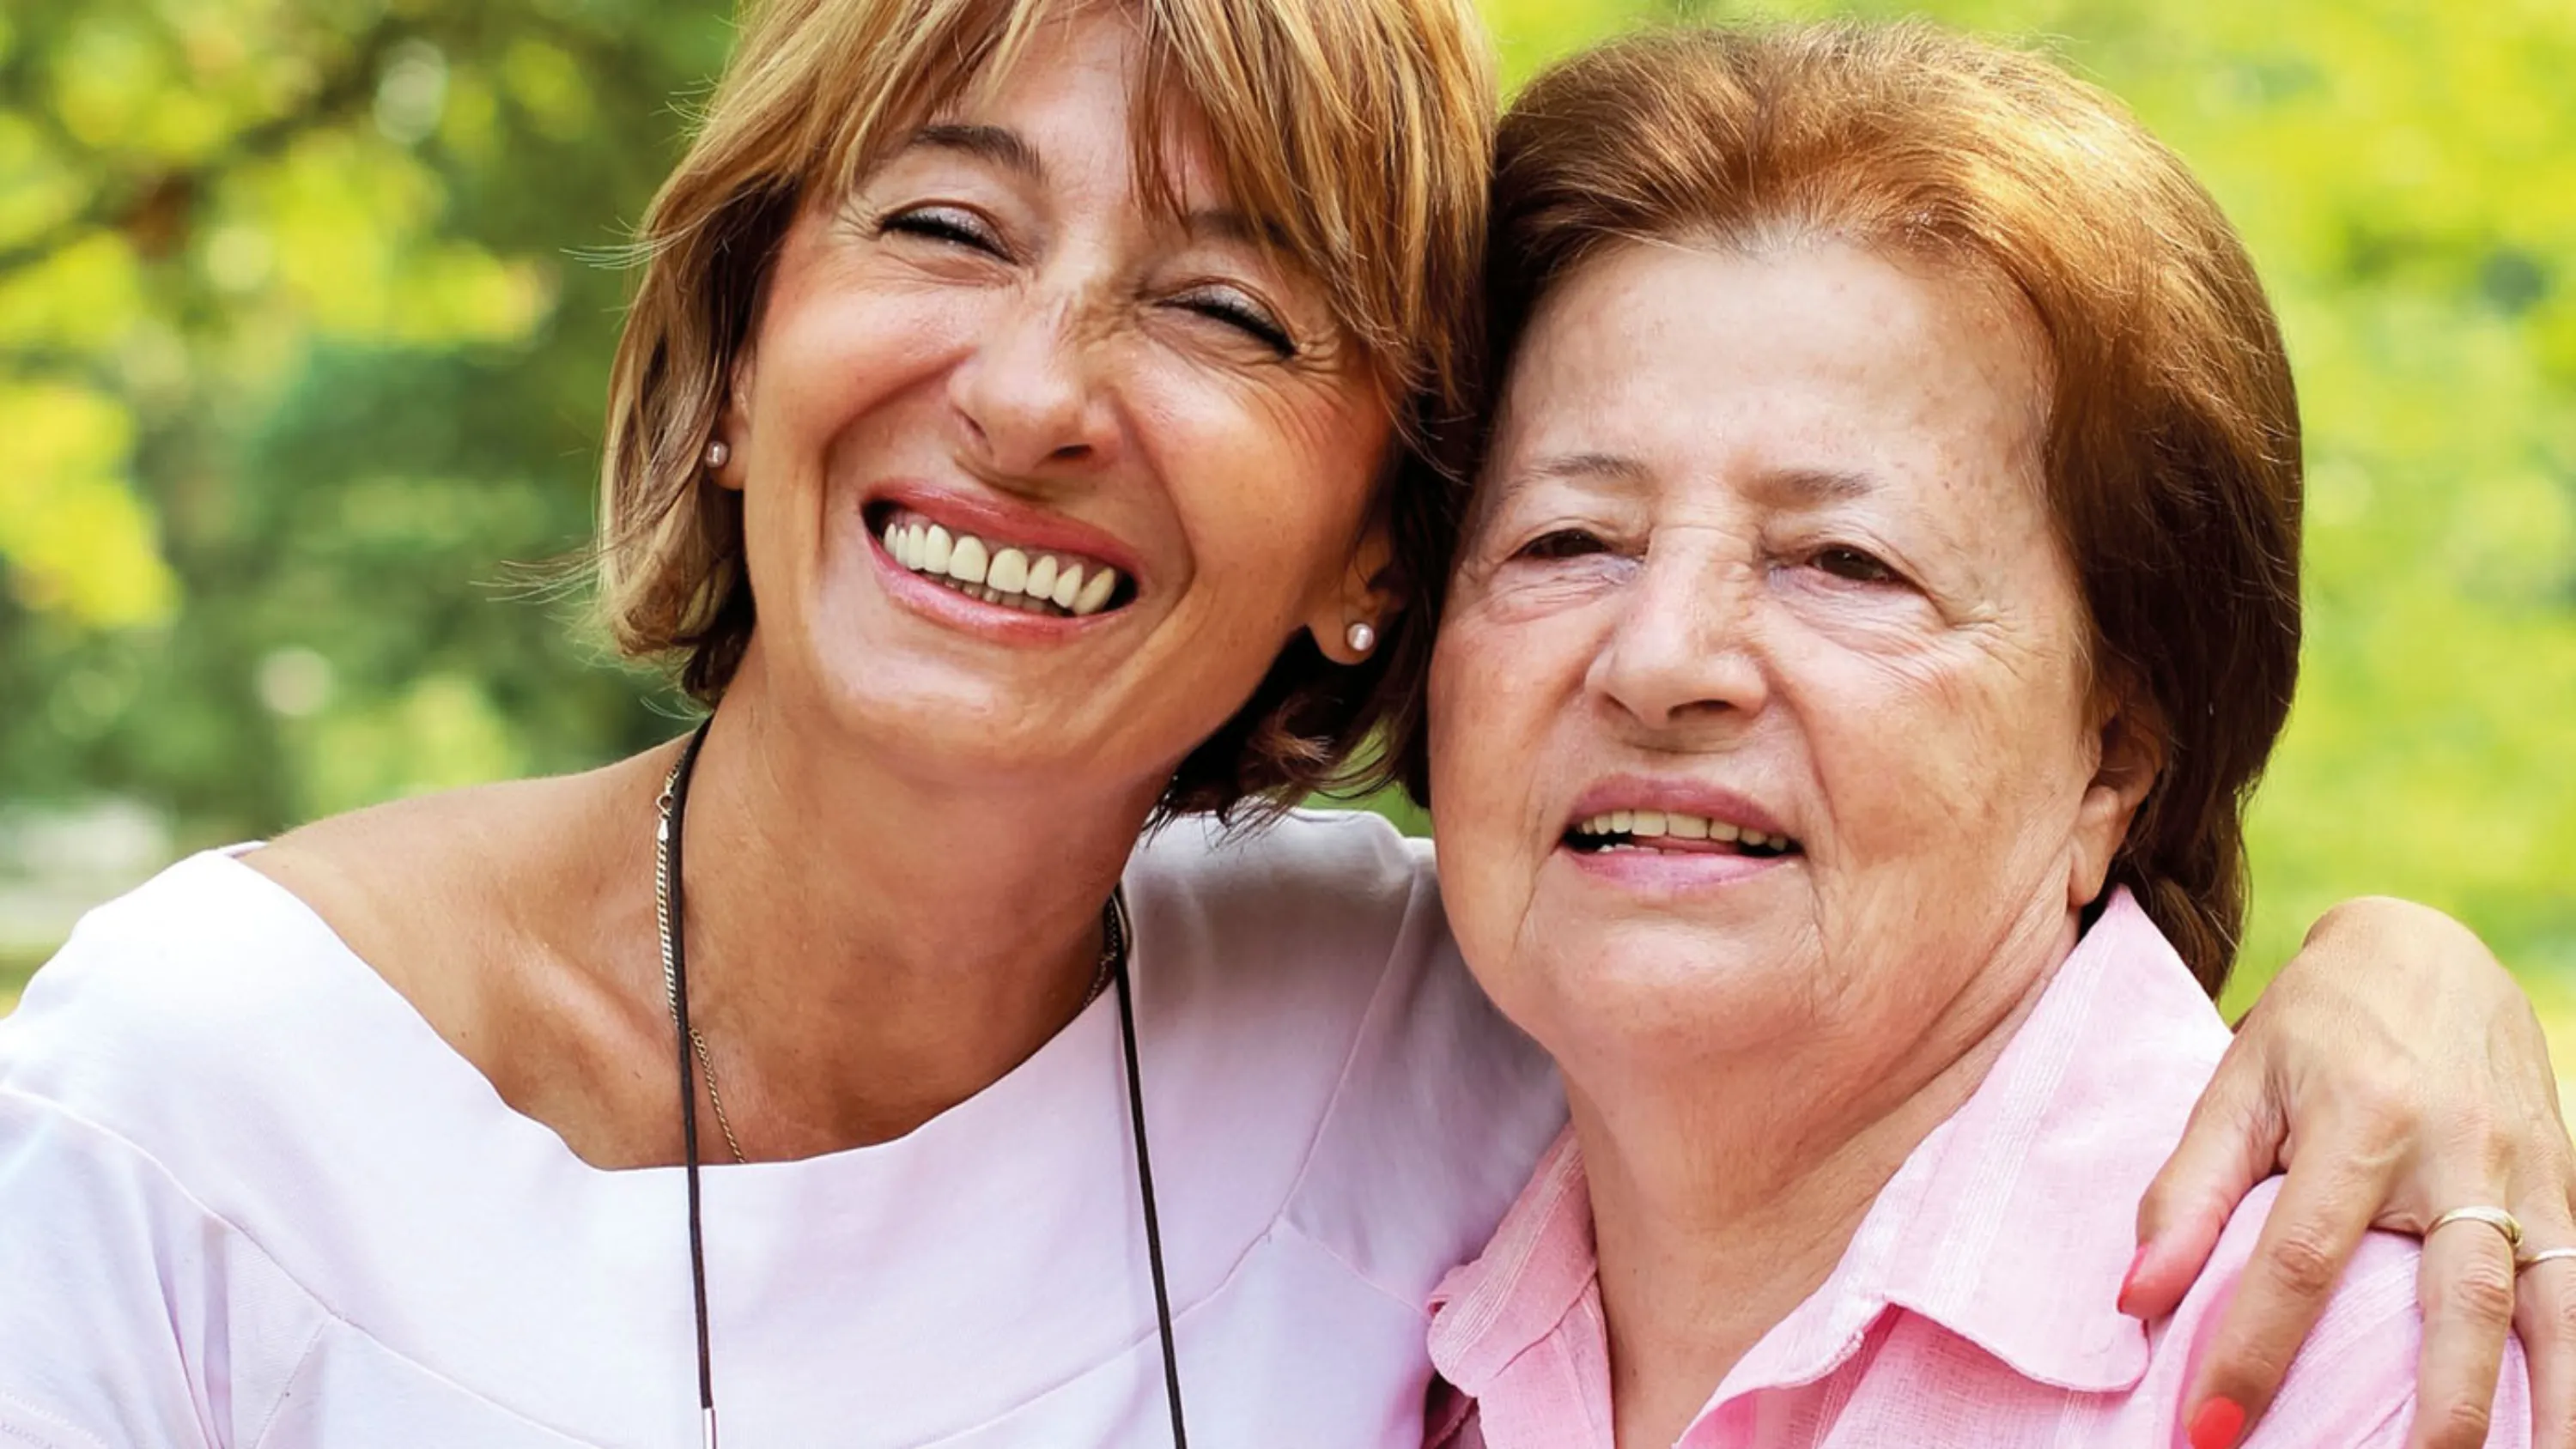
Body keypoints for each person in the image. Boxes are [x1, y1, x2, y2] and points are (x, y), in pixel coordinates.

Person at [0, 1, 2563, 1445]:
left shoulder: (1416, 1020)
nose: (1032, 390)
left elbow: (1945, 1005)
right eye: (942, 222)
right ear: (742, 334)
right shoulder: (198, 1096)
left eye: (1228, 313)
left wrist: (2403, 977)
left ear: (1372, 550)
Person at [1419, 21, 2557, 1449]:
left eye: (1843, 562)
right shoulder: (1368, 1254)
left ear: (2116, 758)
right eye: (1568, 538)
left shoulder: (2350, 1366)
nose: (1660, 661)